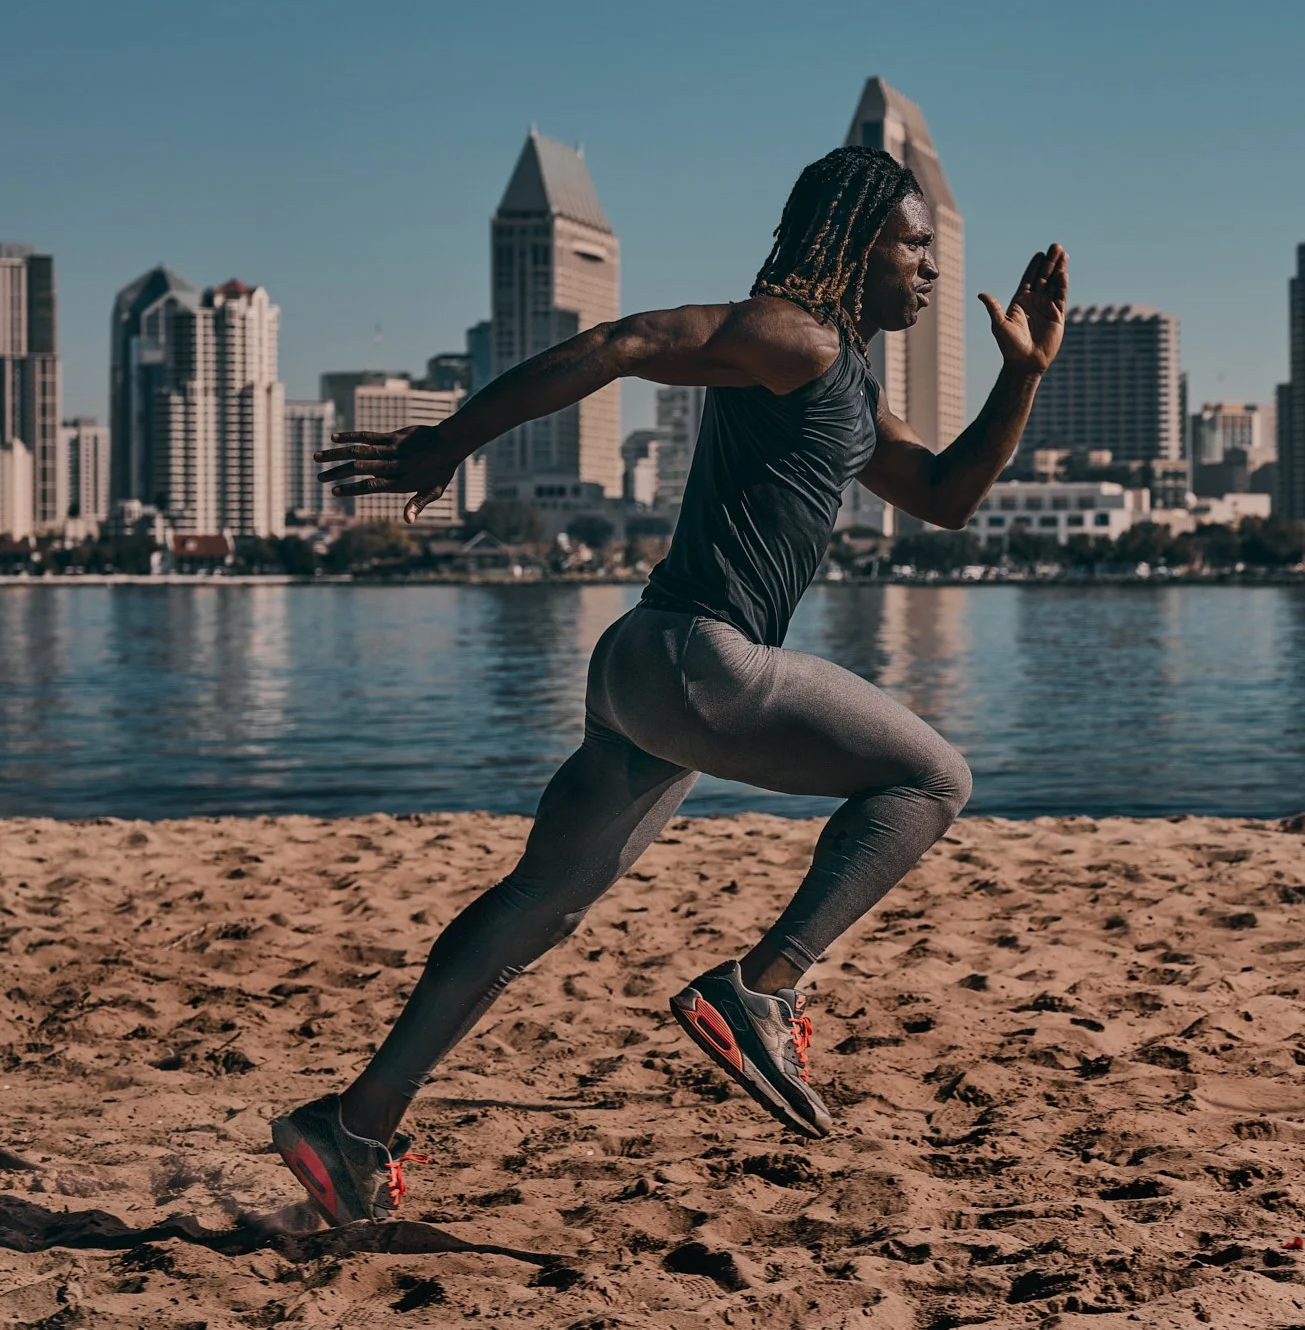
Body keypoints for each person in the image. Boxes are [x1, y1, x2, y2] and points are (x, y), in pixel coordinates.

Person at [269, 145, 1066, 1227]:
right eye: (913, 243)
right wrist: (450, 442)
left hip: (648, 668)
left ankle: (353, 1123)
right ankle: (765, 984)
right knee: (932, 778)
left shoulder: (846, 380)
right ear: (854, 240)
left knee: (537, 905)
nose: (929, 267)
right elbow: (625, 340)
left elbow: (942, 494)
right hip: (700, 655)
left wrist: (1022, 375)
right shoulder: (793, 332)